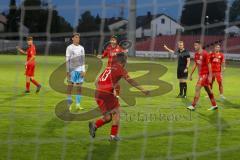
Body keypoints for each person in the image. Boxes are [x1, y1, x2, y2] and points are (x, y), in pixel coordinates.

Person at [89, 53, 150, 141]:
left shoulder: (109, 67)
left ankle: (95, 125)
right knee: (116, 112)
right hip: (107, 93)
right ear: (124, 61)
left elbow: (98, 80)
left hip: (98, 93)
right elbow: (131, 81)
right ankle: (113, 136)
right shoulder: (120, 69)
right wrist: (143, 90)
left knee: (108, 117)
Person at [187, 40, 218, 111]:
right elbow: (195, 64)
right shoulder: (196, 54)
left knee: (197, 87)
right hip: (201, 75)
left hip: (205, 75)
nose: (195, 46)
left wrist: (210, 76)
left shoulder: (205, 54)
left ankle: (193, 105)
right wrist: (190, 74)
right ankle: (214, 105)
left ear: (200, 45)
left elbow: (209, 65)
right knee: (208, 90)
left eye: (196, 45)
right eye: (194, 45)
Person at [66, 33, 86, 111]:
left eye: (78, 37)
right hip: (72, 70)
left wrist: (83, 70)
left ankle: (78, 105)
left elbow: (83, 60)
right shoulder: (69, 48)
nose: (78, 39)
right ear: (73, 38)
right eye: (76, 37)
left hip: (80, 70)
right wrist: (68, 71)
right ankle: (69, 105)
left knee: (79, 88)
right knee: (70, 88)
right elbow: (67, 60)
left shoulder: (82, 48)